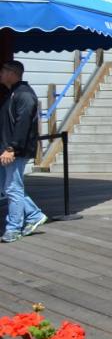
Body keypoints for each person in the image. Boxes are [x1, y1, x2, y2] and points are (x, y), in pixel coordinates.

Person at [0, 61, 45, 243]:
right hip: (7, 149)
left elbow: (23, 125)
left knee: (12, 188)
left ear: (12, 73)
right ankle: (34, 215)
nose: (0, 74)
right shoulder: (12, 93)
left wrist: (12, 148)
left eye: (3, 71)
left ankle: (13, 228)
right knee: (8, 188)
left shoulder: (24, 95)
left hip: (15, 151)